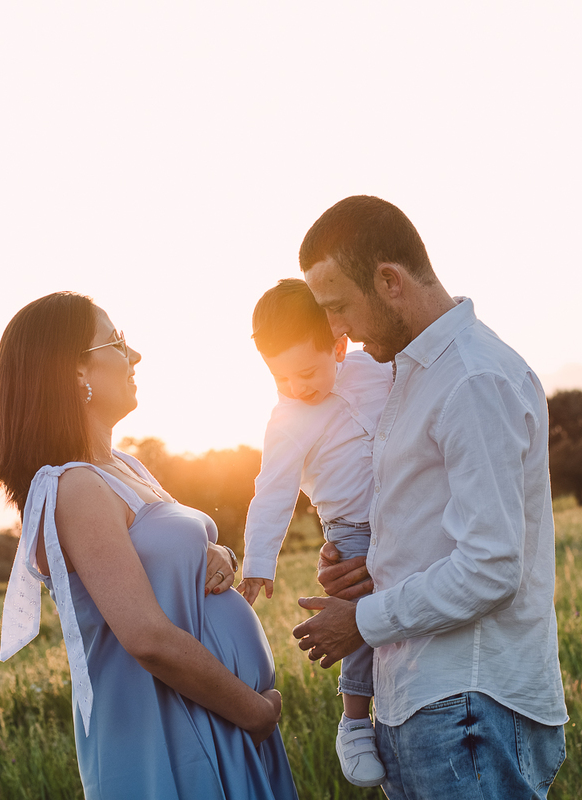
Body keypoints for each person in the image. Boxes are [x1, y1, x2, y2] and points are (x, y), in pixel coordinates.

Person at [289, 196, 568, 799]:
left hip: (468, 703)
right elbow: (435, 535)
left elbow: (491, 568)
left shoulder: (472, 379)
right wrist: (370, 570)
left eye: (339, 306)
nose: (336, 330)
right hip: (423, 698)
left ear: (389, 281)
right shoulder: (412, 375)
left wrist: (361, 620)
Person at [0, 291, 298, 800]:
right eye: (117, 341)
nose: (134, 356)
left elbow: (173, 553)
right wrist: (253, 711)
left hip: (215, 720)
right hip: (172, 735)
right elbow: (146, 637)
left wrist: (218, 556)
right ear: (75, 372)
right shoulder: (74, 488)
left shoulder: (126, 467)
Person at [237, 278, 393, 788]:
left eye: (305, 372)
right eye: (281, 379)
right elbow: (272, 492)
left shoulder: (375, 369)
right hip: (351, 531)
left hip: (406, 513)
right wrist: (259, 561)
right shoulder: (287, 421)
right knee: (356, 615)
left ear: (338, 343)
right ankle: (354, 721)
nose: (297, 389)